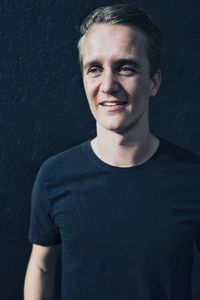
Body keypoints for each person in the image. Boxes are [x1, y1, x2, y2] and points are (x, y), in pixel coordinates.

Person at [24, 4, 200, 300]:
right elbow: (41, 267)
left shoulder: (194, 178)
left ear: (153, 82)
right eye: (95, 69)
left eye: (125, 68)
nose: (108, 85)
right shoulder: (53, 176)